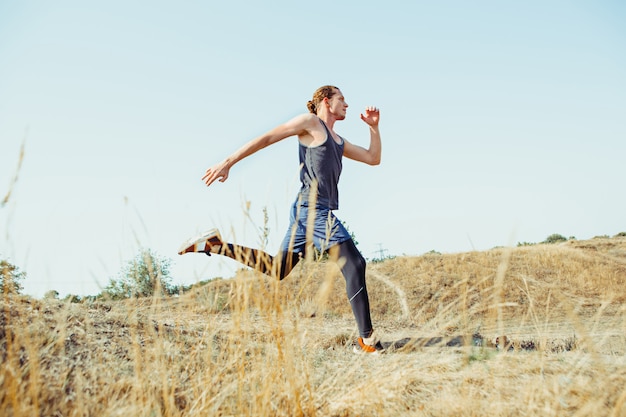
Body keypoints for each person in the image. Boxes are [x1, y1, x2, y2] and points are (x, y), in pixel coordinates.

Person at [179, 85, 384, 353]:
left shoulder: (338, 140)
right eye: (342, 99)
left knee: (278, 269)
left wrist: (374, 128)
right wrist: (228, 161)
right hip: (312, 210)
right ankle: (366, 342)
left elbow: (372, 158)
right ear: (326, 101)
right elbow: (267, 138)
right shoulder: (310, 123)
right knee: (354, 263)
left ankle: (215, 246)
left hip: (307, 211)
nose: (347, 104)